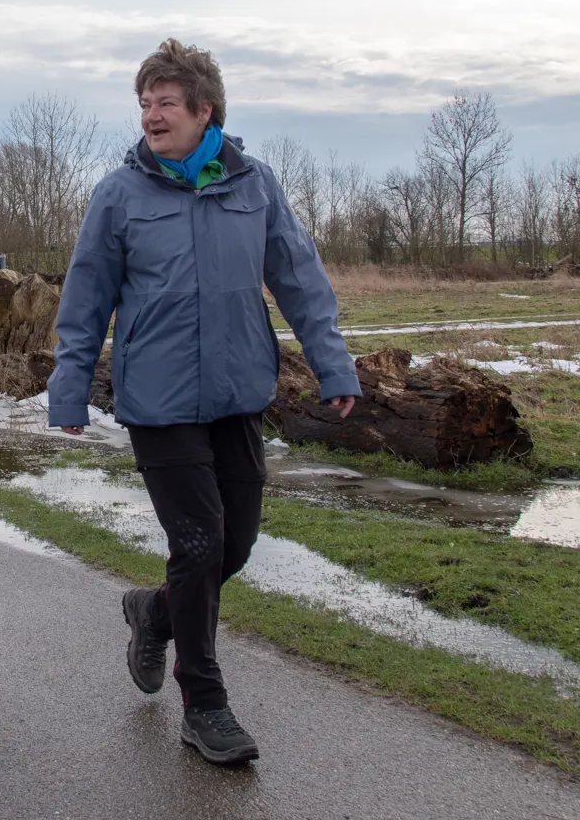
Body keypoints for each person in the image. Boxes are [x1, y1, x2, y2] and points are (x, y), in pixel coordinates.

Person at [47, 39, 360, 765]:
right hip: (158, 401)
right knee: (197, 542)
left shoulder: (254, 185)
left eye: (164, 102)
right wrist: (69, 385)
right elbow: (85, 296)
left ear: (203, 110)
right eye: (144, 103)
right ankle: (205, 702)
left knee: (235, 543)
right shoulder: (120, 195)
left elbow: (299, 278)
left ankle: (153, 612)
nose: (151, 115)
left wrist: (333, 365)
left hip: (238, 392)